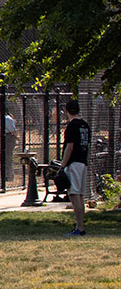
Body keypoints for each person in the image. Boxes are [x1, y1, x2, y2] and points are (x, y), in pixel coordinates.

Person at [58, 99, 91, 236]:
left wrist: (62, 166)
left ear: (67, 111)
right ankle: (79, 226)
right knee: (80, 195)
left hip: (74, 163)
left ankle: (80, 227)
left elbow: (69, 147)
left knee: (74, 194)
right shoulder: (85, 125)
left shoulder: (72, 126)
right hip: (83, 161)